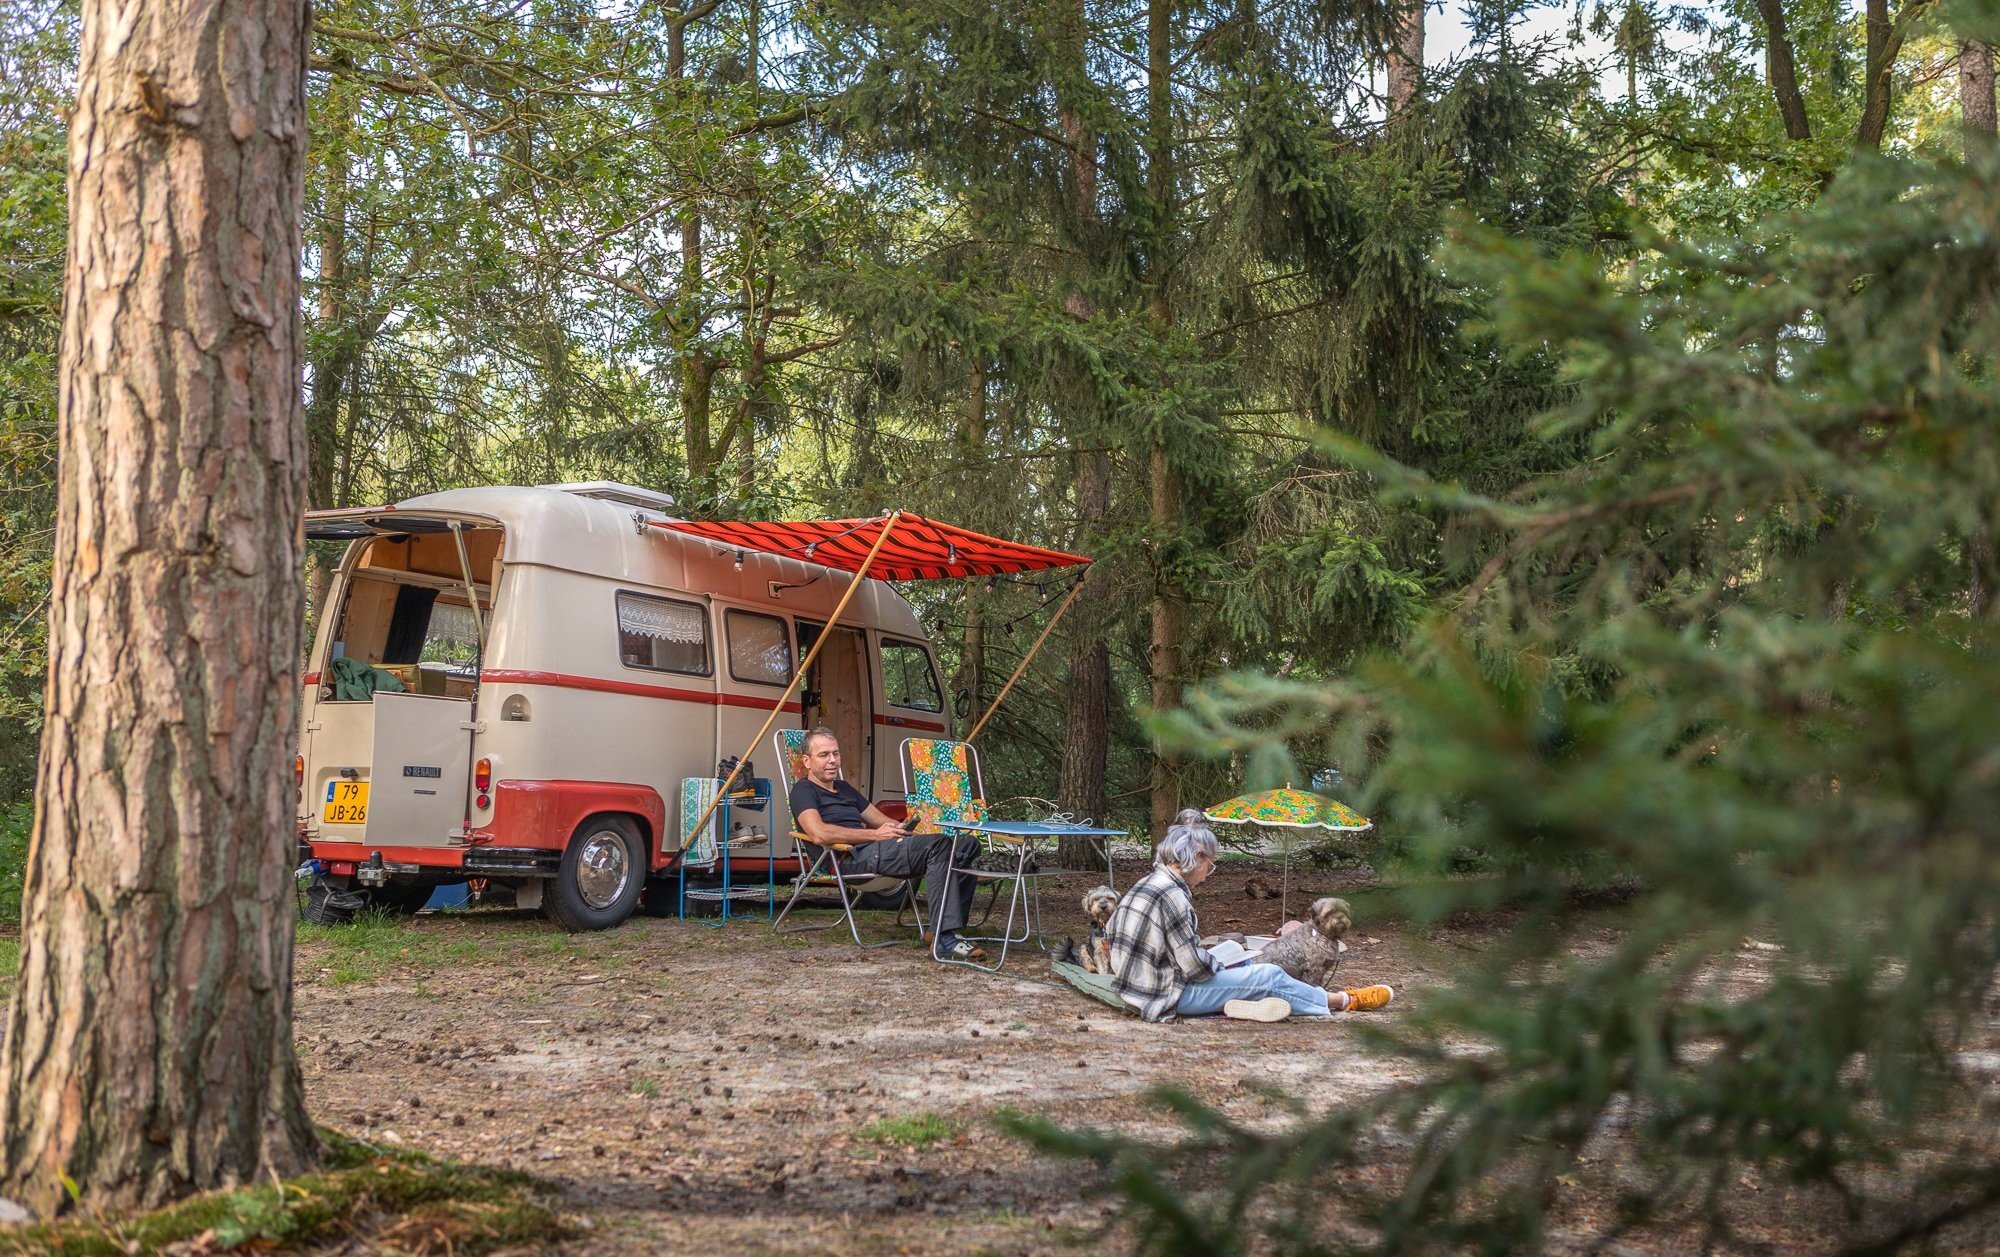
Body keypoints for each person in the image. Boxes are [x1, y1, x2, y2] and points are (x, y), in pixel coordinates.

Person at [1104, 808, 1394, 1022]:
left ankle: (1248, 1004)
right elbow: (1194, 968)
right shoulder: (1174, 896)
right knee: (1268, 974)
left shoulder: (1146, 883)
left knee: (1239, 963)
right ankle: (1343, 1000)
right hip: (1165, 993)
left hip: (1133, 984)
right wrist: (1221, 967)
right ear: (1197, 857)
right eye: (1210, 865)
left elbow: (1111, 934)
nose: (1208, 874)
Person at [788, 727, 986, 962]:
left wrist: (903, 830)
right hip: (847, 858)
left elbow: (881, 821)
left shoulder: (844, 788)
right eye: (824, 755)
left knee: (965, 845)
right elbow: (819, 833)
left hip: (875, 851)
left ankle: (943, 929)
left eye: (836, 754)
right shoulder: (803, 790)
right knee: (940, 846)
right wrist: (874, 835)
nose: (832, 761)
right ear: (807, 761)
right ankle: (945, 940)